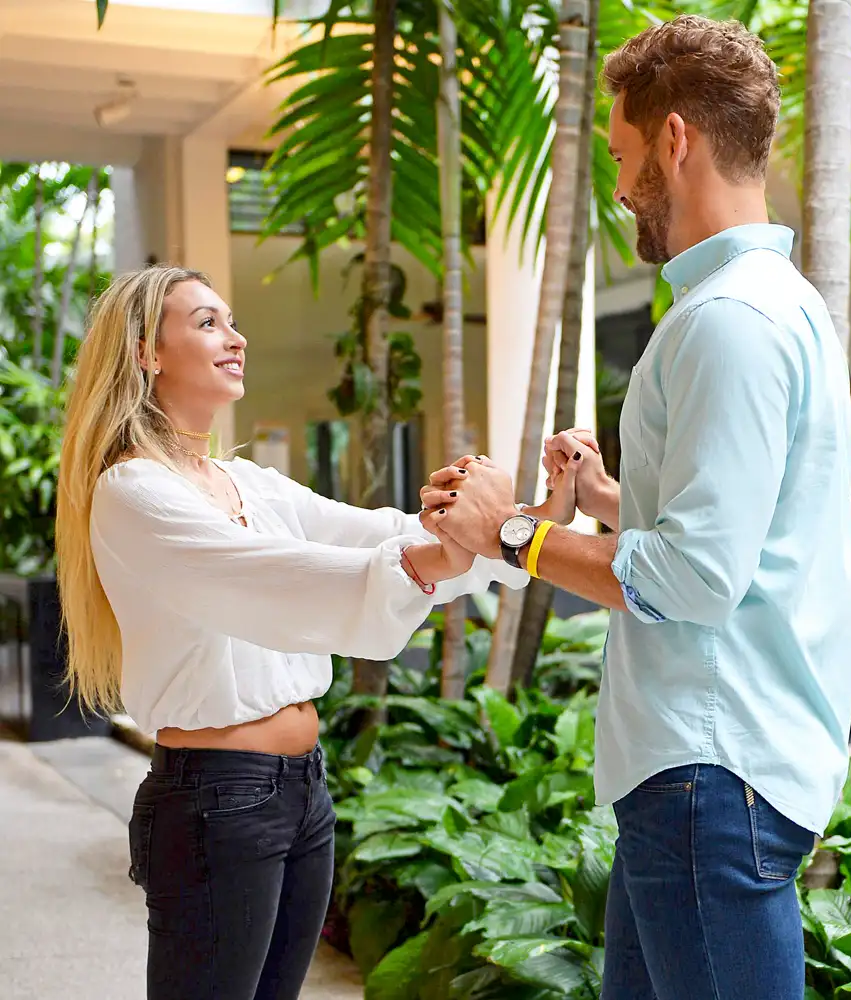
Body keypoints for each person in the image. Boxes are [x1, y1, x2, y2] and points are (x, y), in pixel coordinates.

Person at [420, 15, 851, 1000]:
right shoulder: (770, 304)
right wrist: (619, 498)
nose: (617, 187)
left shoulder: (726, 322)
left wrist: (512, 531)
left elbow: (696, 579)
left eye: (621, 156)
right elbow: (752, 530)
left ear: (673, 141)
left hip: (709, 773)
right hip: (704, 776)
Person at [54, 265, 576, 1000]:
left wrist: (516, 522)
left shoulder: (249, 484)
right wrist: (439, 549)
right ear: (147, 353)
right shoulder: (133, 490)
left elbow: (375, 533)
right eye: (207, 323)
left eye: (232, 321)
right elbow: (274, 578)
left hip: (302, 791)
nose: (236, 339)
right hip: (216, 800)